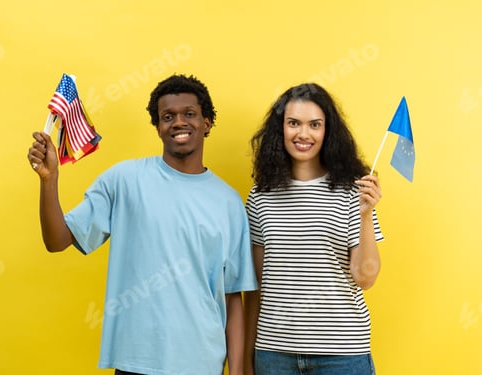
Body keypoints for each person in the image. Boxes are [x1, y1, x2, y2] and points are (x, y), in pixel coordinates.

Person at [27, 74, 257, 375]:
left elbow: (232, 297)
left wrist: (238, 372)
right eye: (167, 116)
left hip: (202, 363)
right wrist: (49, 180)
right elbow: (57, 240)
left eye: (189, 114)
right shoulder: (124, 181)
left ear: (207, 122)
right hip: (136, 362)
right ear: (158, 126)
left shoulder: (228, 203)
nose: (178, 122)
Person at [243, 83, 384, 375]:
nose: (303, 134)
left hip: (341, 355)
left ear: (327, 131)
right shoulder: (261, 195)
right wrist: (247, 357)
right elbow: (254, 286)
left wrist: (366, 215)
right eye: (293, 123)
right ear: (280, 128)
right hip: (273, 354)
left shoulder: (352, 192)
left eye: (314, 125)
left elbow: (365, 278)